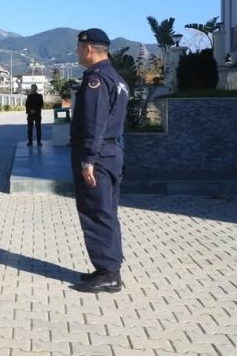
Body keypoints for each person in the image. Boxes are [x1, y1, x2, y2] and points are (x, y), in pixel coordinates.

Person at [69, 28, 129, 293]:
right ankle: (108, 266)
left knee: (96, 213)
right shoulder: (116, 77)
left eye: (79, 48)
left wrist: (88, 160)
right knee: (107, 212)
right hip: (111, 153)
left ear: (89, 49)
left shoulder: (96, 79)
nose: (77, 52)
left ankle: (109, 273)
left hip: (98, 155)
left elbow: (94, 122)